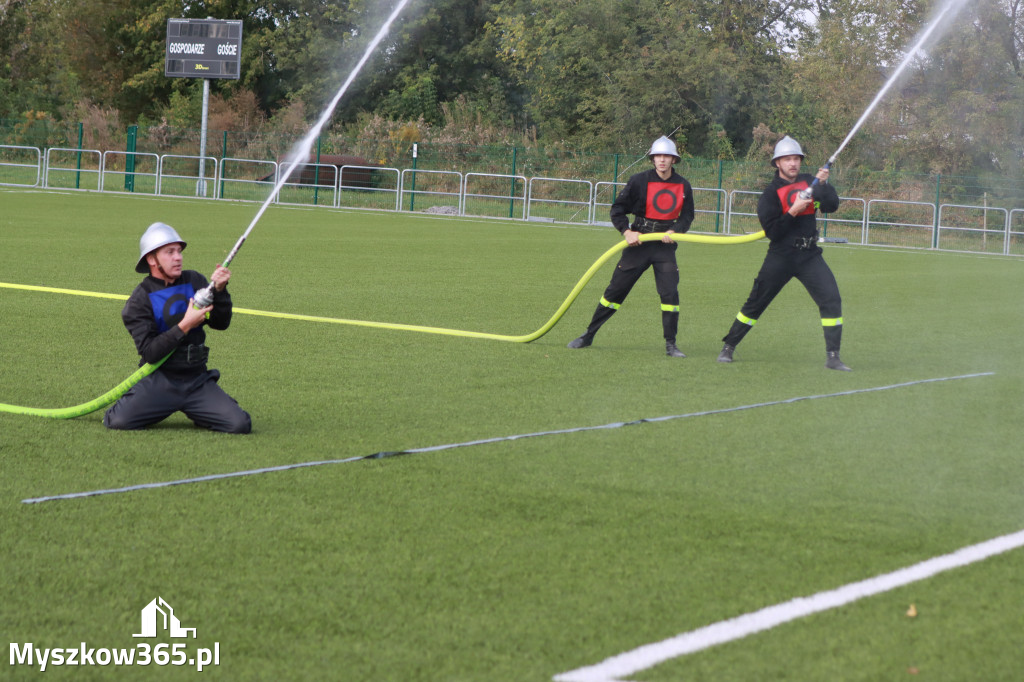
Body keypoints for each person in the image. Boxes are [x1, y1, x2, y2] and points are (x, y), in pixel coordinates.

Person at [716, 135, 851, 371]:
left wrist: (825, 185)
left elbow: (831, 206)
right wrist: (793, 211)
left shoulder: (811, 181)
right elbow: (773, 232)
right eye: (787, 159)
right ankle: (728, 346)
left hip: (809, 255)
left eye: (796, 159)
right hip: (781, 255)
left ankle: (833, 356)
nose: (793, 163)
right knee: (756, 302)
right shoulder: (769, 194)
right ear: (777, 163)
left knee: (831, 299)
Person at [104, 222, 252, 432]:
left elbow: (221, 323)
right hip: (160, 380)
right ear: (151, 259)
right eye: (170, 252)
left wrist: (220, 291)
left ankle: (201, 411)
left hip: (196, 379)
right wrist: (185, 325)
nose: (178, 257)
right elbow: (150, 352)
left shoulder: (194, 280)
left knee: (240, 424)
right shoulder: (139, 301)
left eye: (179, 251)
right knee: (118, 422)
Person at [567, 136, 695, 356]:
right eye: (658, 156)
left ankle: (671, 344)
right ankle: (588, 335)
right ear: (653, 159)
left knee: (670, 294)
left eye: (666, 156)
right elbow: (617, 208)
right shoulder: (638, 181)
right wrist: (627, 232)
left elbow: (688, 215)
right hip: (639, 243)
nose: (662, 160)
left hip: (664, 247)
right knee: (614, 292)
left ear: (674, 160)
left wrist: (675, 231)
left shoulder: (683, 186)